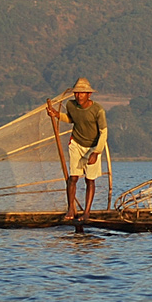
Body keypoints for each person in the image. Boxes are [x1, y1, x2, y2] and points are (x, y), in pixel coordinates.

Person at [46, 77, 109, 221]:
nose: (78, 96)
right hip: (76, 143)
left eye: (82, 93)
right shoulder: (71, 105)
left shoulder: (98, 110)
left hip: (93, 146)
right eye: (76, 93)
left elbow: (103, 132)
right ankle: (70, 209)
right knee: (73, 177)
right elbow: (71, 118)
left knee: (89, 179)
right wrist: (56, 115)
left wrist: (96, 152)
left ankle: (86, 212)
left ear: (89, 95)